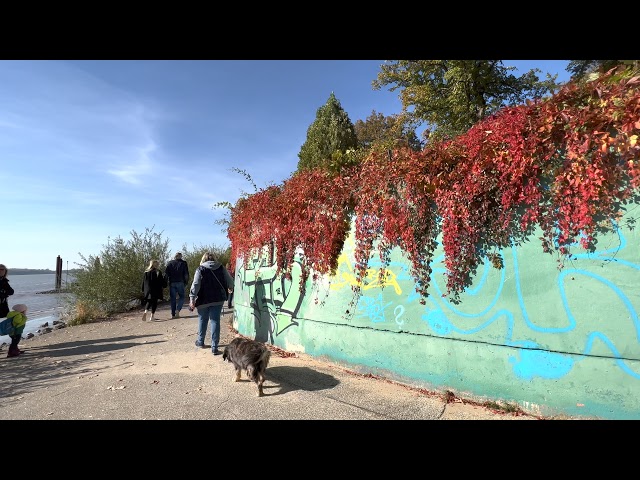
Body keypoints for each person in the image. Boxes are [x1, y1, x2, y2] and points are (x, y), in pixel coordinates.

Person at [189, 252, 234, 355]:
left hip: (203, 299)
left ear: (203, 259)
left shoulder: (200, 269)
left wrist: (192, 298)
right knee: (215, 321)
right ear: (214, 258)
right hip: (218, 299)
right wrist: (230, 287)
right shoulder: (221, 268)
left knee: (202, 320)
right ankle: (214, 347)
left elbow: (195, 284)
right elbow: (229, 280)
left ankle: (200, 342)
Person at [165, 252, 190, 319]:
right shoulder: (184, 263)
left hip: (172, 282)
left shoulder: (170, 263)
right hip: (180, 282)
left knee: (173, 298)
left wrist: (165, 283)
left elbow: (166, 274)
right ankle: (178, 310)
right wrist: (186, 282)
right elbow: (186, 274)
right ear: (181, 256)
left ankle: (173, 314)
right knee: (182, 297)